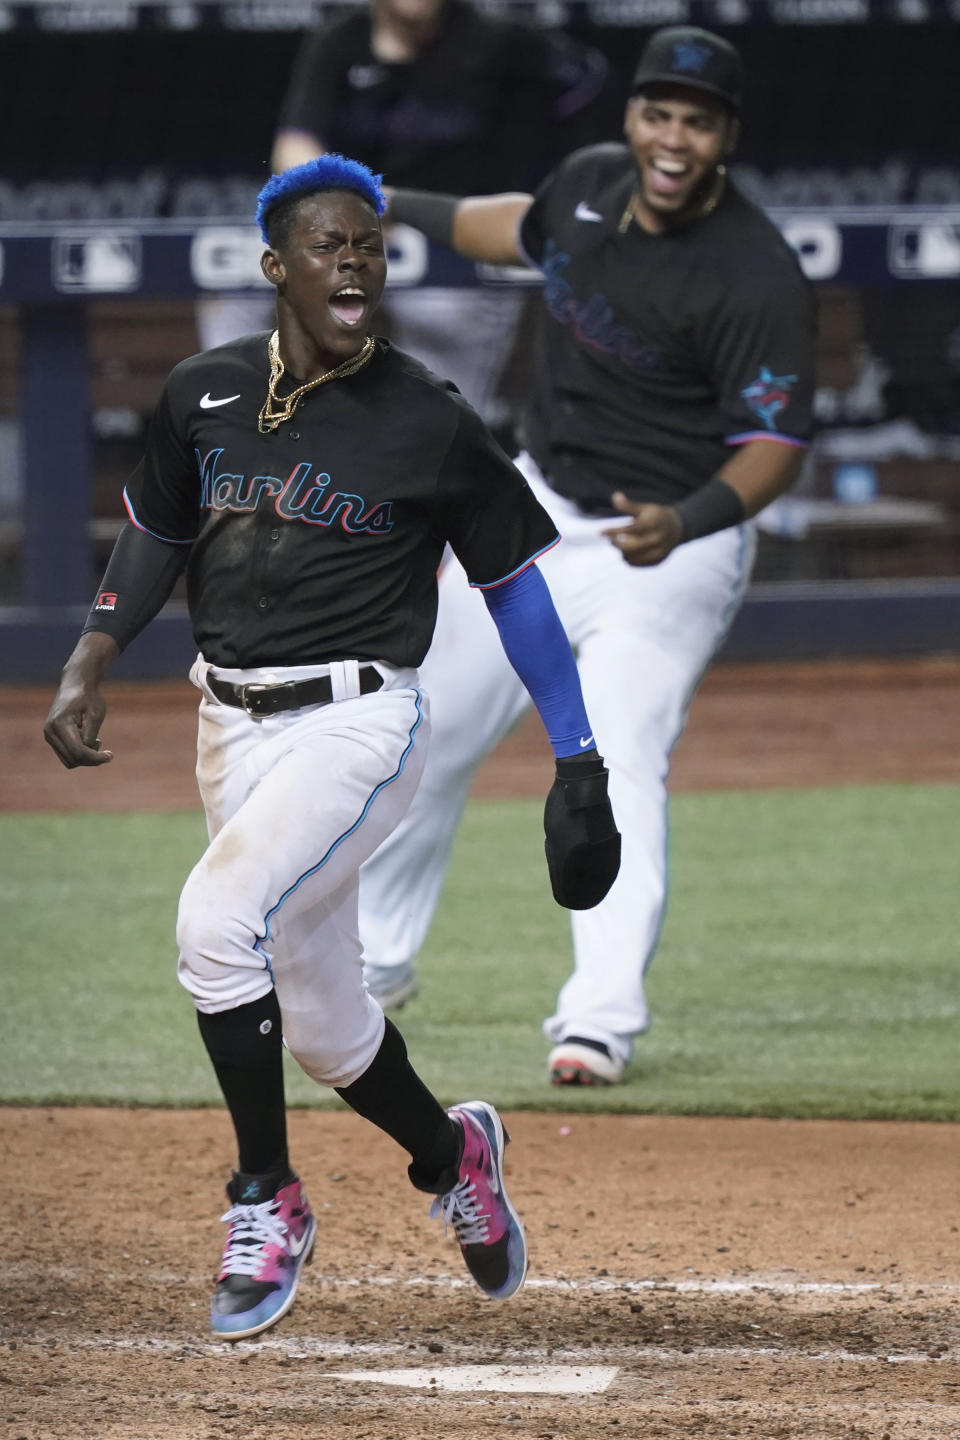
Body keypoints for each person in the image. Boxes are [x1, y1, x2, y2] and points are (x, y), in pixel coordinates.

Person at [43, 154, 619, 1340]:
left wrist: (577, 758)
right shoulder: (202, 393)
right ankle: (453, 1154)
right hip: (230, 725)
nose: (356, 259)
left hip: (362, 725)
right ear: (278, 269)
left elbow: (515, 589)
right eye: (328, 245)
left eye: (369, 243)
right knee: (323, 1025)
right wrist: (91, 654)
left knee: (215, 928)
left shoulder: (429, 418)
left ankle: (269, 1197)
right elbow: (155, 530)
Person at [357, 26, 818, 1082]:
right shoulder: (590, 184)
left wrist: (693, 518)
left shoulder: (756, 273)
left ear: (725, 137)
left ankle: (598, 1020)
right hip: (535, 511)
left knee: (610, 767)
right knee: (420, 728)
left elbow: (776, 448)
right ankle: (373, 965)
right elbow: (505, 228)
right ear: (632, 119)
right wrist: (392, 204)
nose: (672, 137)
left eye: (696, 121)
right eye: (659, 112)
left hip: (665, 547)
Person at [198, 0, 611, 422]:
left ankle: (435, 455)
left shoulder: (500, 37)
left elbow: (584, 83)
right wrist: (346, 202)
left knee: (444, 322)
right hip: (353, 222)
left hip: (454, 232)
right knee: (235, 275)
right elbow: (294, 146)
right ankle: (235, 438)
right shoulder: (341, 38)